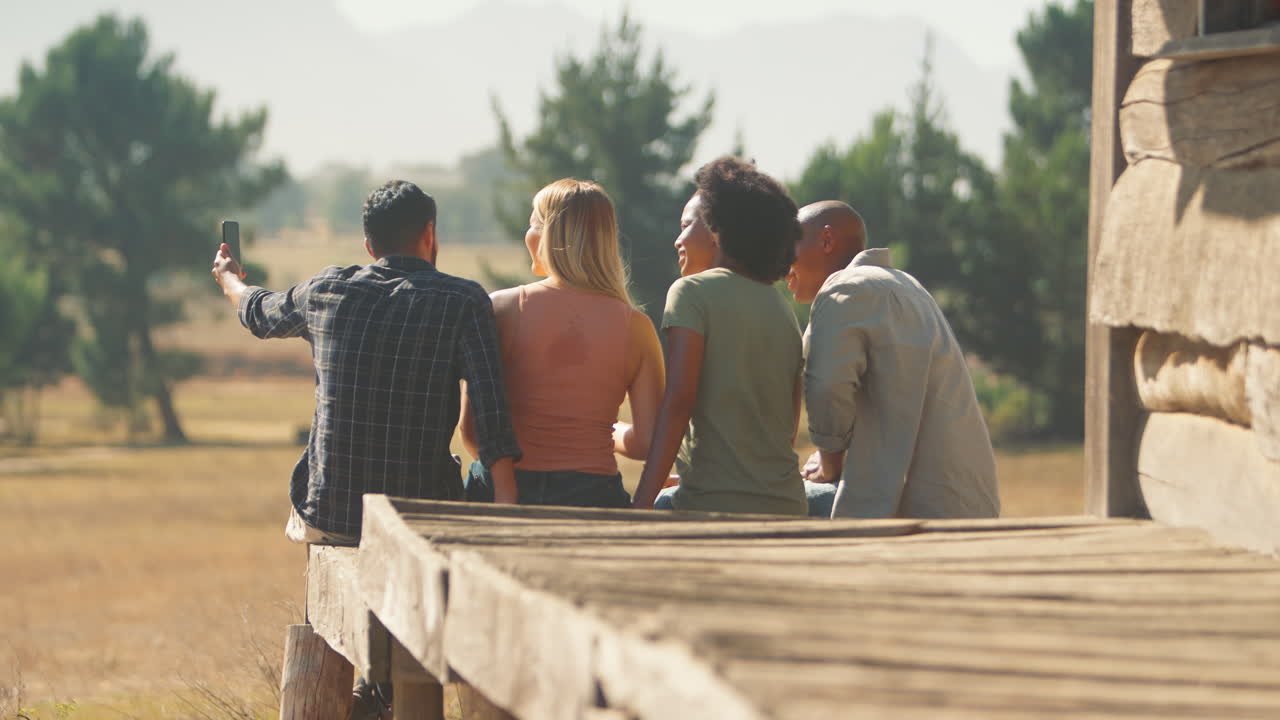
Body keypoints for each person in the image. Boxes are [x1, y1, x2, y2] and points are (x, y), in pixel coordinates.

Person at [211, 180, 523, 546]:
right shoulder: (463, 301)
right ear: (429, 232)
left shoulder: (326, 290)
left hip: (330, 514)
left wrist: (228, 277)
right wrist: (507, 506)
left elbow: (258, 311)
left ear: (369, 245)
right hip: (419, 516)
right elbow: (491, 415)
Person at [787, 200, 1000, 519]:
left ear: (827, 241)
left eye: (786, 247)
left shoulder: (844, 288)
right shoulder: (906, 286)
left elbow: (827, 387)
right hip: (965, 504)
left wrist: (829, 462)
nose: (779, 263)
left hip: (913, 512)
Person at [460, 179, 665, 507]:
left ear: (548, 235)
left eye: (532, 223)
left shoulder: (501, 308)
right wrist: (591, 431)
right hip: (593, 496)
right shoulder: (637, 328)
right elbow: (646, 443)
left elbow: (472, 432)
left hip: (507, 491)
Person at [632, 157, 806, 515]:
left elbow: (679, 401)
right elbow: (787, 429)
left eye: (687, 225)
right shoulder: (782, 308)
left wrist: (640, 504)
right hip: (787, 504)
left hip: (712, 508)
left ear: (717, 229)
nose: (678, 239)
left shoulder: (690, 293)